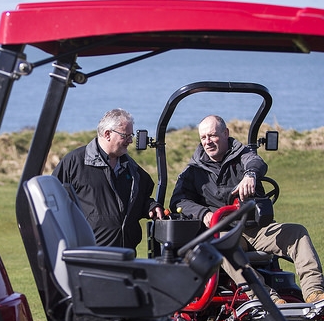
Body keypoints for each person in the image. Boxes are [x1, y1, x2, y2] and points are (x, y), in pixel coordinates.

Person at [170, 114, 324, 304]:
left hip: (256, 228)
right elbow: (178, 200)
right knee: (222, 245)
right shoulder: (194, 170)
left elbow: (256, 162)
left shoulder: (242, 155)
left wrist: (250, 175)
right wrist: (204, 214)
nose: (208, 142)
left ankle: (314, 292)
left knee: (297, 233)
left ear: (226, 133)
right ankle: (268, 298)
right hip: (224, 230)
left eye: (212, 136)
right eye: (204, 138)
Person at [52, 108, 163, 251]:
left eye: (131, 135)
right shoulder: (74, 162)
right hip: (88, 255)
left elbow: (139, 200)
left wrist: (151, 206)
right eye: (126, 135)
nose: (130, 141)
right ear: (107, 134)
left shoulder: (131, 167)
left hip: (126, 254)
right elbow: (53, 203)